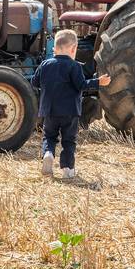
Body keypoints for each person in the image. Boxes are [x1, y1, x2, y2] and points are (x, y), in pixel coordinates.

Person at [33, 29, 111, 179]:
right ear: (74, 48)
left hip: (49, 111)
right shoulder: (74, 66)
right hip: (70, 112)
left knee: (49, 136)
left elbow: (34, 82)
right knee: (69, 140)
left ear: (54, 49)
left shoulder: (45, 64)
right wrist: (98, 82)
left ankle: (48, 154)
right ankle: (68, 169)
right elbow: (82, 85)